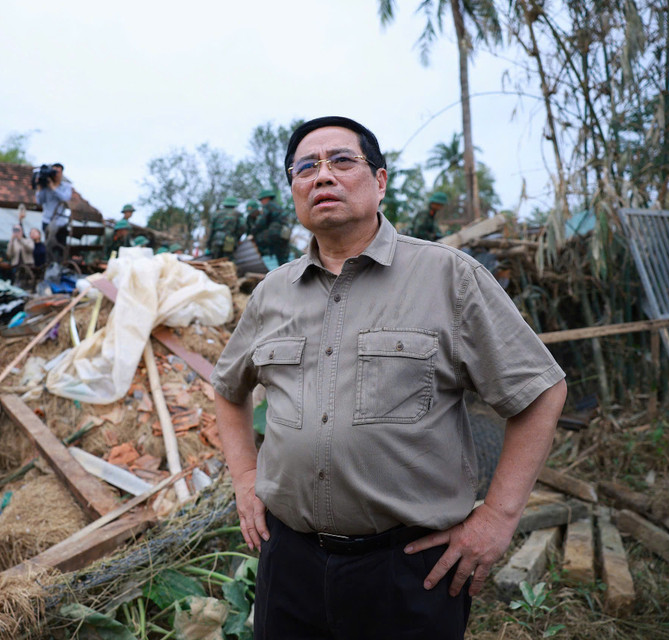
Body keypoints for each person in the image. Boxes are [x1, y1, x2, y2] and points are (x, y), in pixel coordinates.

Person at [210, 116, 567, 639]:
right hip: (289, 564)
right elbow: (227, 389)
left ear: (379, 182)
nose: (322, 176)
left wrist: (496, 518)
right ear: (294, 190)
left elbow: (539, 391)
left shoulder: (448, 277)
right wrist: (245, 481)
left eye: (341, 161)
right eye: (306, 167)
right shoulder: (271, 293)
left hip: (407, 572)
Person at [32, 162, 73, 252]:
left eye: (57, 172)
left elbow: (65, 199)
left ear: (62, 173)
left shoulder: (66, 186)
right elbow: (39, 201)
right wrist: (39, 188)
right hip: (47, 221)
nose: (55, 174)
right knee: (48, 247)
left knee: (60, 248)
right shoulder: (45, 186)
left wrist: (53, 188)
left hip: (60, 223)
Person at [255, 188, 292, 264]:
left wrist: (254, 230)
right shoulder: (278, 206)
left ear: (266, 198)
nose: (261, 202)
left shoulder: (268, 206)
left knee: (259, 239)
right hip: (284, 233)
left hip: (275, 233)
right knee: (284, 258)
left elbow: (262, 221)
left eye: (262, 199)